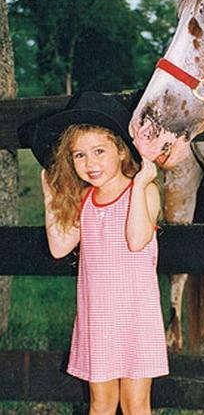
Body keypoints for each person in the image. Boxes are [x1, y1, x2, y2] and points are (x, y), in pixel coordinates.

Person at [18, 91, 169, 415]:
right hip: (98, 318)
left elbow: (137, 239)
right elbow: (59, 248)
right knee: (100, 404)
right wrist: (50, 198)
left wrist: (142, 183)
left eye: (99, 151)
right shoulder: (85, 201)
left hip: (135, 318)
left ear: (120, 150)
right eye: (79, 155)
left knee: (135, 404)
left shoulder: (143, 192)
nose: (90, 163)